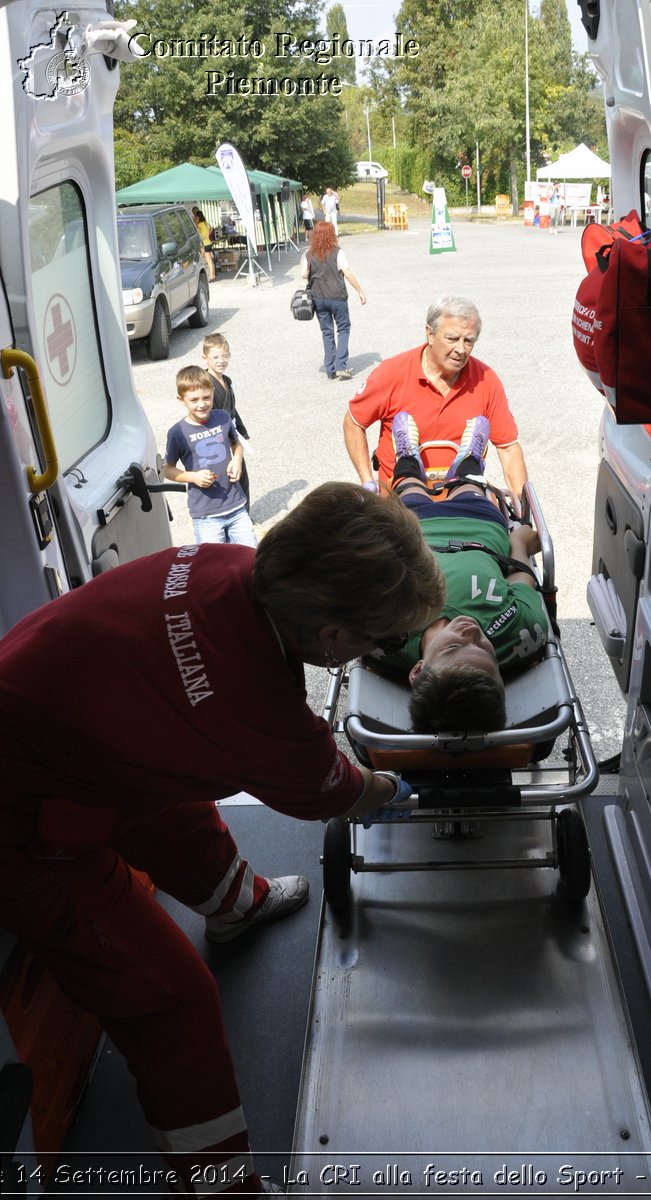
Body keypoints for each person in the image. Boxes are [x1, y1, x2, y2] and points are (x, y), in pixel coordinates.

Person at [0, 482, 445, 1196]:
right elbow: (331, 789)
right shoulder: (255, 703)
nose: (382, 650)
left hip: (57, 728)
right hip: (18, 827)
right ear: (330, 636)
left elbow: (198, 725)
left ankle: (235, 906)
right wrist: (389, 790)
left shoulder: (224, 566)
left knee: (172, 795)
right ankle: (222, 1184)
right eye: (380, 639)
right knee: (171, 999)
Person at [382, 412, 549, 732]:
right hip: (478, 528)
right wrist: (519, 543)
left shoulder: (385, 634)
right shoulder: (518, 635)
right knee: (470, 488)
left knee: (409, 488)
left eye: (454, 647)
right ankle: (470, 462)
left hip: (411, 530)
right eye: (487, 651)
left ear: (417, 670)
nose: (473, 634)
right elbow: (521, 579)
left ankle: (406, 460)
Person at [343, 296, 529, 497]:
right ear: (430, 334)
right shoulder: (391, 373)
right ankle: (408, 463)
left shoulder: (486, 380)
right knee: (409, 494)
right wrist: (367, 481)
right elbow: (354, 422)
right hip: (402, 506)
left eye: (468, 341)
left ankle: (466, 466)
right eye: (452, 338)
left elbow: (508, 448)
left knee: (475, 501)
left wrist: (522, 508)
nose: (460, 349)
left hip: (461, 502)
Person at [164, 365, 256, 546]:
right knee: (214, 566)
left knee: (251, 557)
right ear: (181, 399)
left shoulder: (223, 417)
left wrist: (237, 460)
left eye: (206, 397)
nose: (201, 404)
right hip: (206, 515)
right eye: (194, 399)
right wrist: (193, 477)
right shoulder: (177, 432)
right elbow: (167, 469)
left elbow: (236, 442)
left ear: (213, 392)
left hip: (236, 506)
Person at [300, 221, 366, 382]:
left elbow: (303, 274)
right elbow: (348, 273)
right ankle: (341, 365)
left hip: (318, 298)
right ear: (331, 235)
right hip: (337, 297)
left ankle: (330, 368)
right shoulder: (337, 252)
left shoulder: (309, 254)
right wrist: (360, 291)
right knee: (343, 328)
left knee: (327, 332)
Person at [202, 333, 252, 510]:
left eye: (225, 356)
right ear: (205, 358)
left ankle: (245, 515)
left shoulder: (226, 381)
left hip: (232, 432)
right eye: (215, 357)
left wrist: (243, 432)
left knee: (242, 474)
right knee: (226, 476)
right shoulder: (205, 384)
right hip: (217, 436)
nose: (221, 361)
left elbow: (232, 410)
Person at [192, 206, 216, 281]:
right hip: (208, 242)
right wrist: (207, 235)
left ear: (197, 217)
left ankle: (211, 277)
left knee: (208, 261)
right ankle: (213, 275)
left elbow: (196, 232)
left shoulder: (199, 225)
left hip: (204, 244)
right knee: (210, 261)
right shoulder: (205, 223)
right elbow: (211, 228)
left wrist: (202, 238)